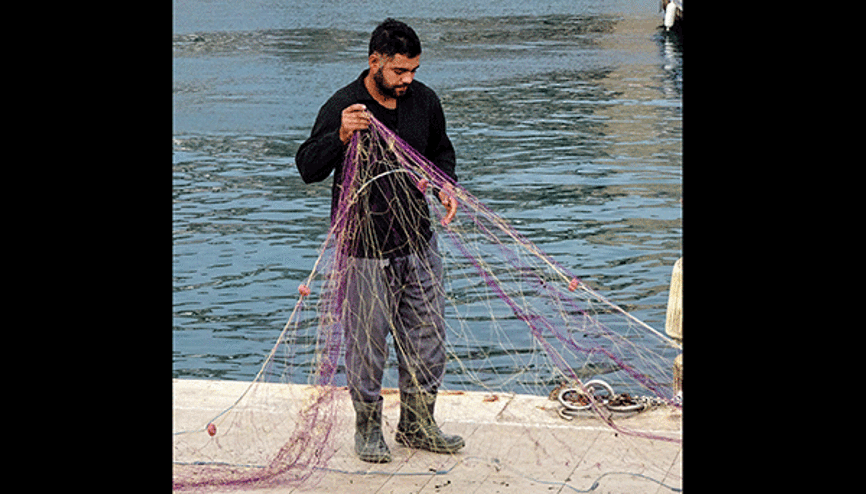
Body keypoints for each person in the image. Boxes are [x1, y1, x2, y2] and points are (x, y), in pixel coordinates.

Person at [295, 18, 464, 463]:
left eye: (414, 70)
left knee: (428, 338)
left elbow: (440, 152)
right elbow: (307, 166)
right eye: (399, 72)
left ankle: (418, 424)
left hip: (418, 243)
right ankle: (368, 429)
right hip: (365, 251)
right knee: (367, 345)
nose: (408, 80)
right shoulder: (345, 105)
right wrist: (341, 135)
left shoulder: (424, 100)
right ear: (375, 62)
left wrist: (447, 185)